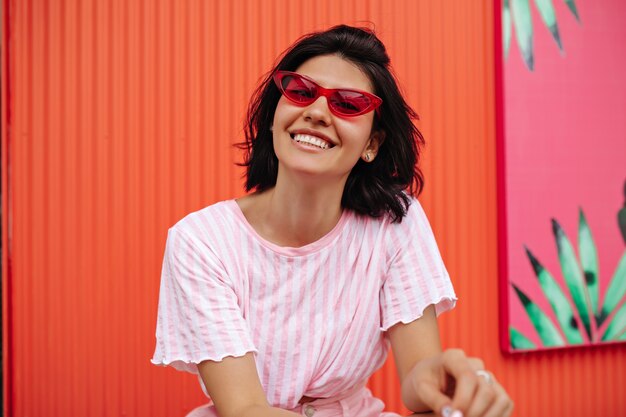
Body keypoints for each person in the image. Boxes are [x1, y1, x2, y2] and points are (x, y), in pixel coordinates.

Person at [151, 25, 513, 417]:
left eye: (349, 104)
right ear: (275, 116)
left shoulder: (395, 222)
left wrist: (439, 382)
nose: (318, 113)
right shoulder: (202, 241)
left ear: (372, 144)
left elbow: (416, 380)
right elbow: (246, 408)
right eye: (301, 92)